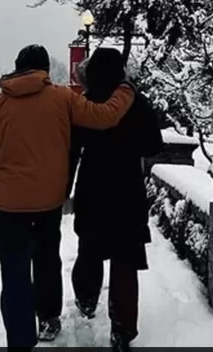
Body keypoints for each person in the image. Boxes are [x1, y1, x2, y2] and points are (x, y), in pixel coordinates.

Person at [0, 44, 135, 348]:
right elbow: (105, 116)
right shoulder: (63, 98)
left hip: (11, 207)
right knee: (46, 260)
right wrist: (125, 90)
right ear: (45, 70)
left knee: (15, 274)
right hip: (47, 204)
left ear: (18, 67)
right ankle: (48, 317)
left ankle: (20, 340)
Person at [67, 48, 164, 351]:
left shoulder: (87, 103)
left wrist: (64, 188)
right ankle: (122, 328)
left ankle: (85, 299)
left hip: (93, 188)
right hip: (126, 189)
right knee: (124, 259)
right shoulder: (136, 101)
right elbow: (154, 145)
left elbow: (72, 148)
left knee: (89, 250)